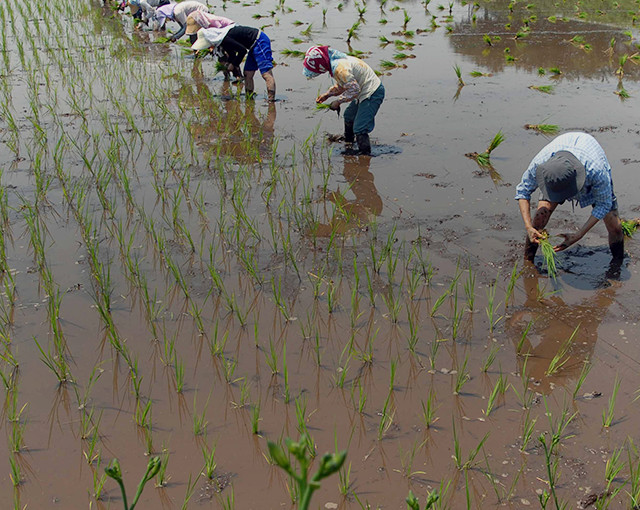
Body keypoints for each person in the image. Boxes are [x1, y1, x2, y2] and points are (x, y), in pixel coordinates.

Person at [515, 132, 624, 262]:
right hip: (558, 169)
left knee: (615, 226)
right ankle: (528, 261)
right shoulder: (541, 165)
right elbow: (523, 191)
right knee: (539, 219)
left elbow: (603, 204)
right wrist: (528, 227)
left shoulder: (596, 170)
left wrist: (579, 234)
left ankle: (617, 265)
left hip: (587, 159)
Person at [302, 45, 385, 155]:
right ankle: (349, 144)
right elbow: (343, 85)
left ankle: (365, 154)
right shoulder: (335, 63)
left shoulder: (340, 68)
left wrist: (338, 102)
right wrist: (327, 95)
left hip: (372, 93)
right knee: (349, 116)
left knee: (360, 127)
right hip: (362, 91)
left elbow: (354, 89)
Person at [191, 26, 276, 102]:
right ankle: (249, 98)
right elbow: (232, 54)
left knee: (266, 73)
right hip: (252, 46)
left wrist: (234, 64)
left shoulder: (225, 38)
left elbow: (242, 50)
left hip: (259, 41)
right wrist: (229, 64)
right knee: (247, 73)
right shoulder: (222, 41)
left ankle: (271, 100)